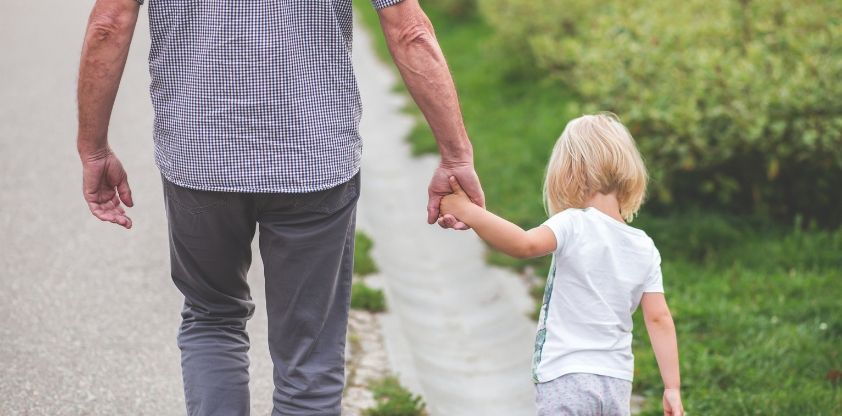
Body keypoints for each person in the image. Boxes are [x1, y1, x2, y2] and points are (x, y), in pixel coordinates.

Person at [75, 0, 483, 414]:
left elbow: (109, 23)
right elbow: (408, 30)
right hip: (312, 155)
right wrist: (455, 155)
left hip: (199, 155)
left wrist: (93, 149)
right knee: (310, 359)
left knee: (212, 319)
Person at [439, 113, 684, 416]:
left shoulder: (573, 223)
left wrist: (469, 212)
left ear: (570, 172)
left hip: (566, 375)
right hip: (616, 382)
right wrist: (672, 387)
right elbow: (659, 318)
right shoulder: (644, 246)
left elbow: (523, 244)